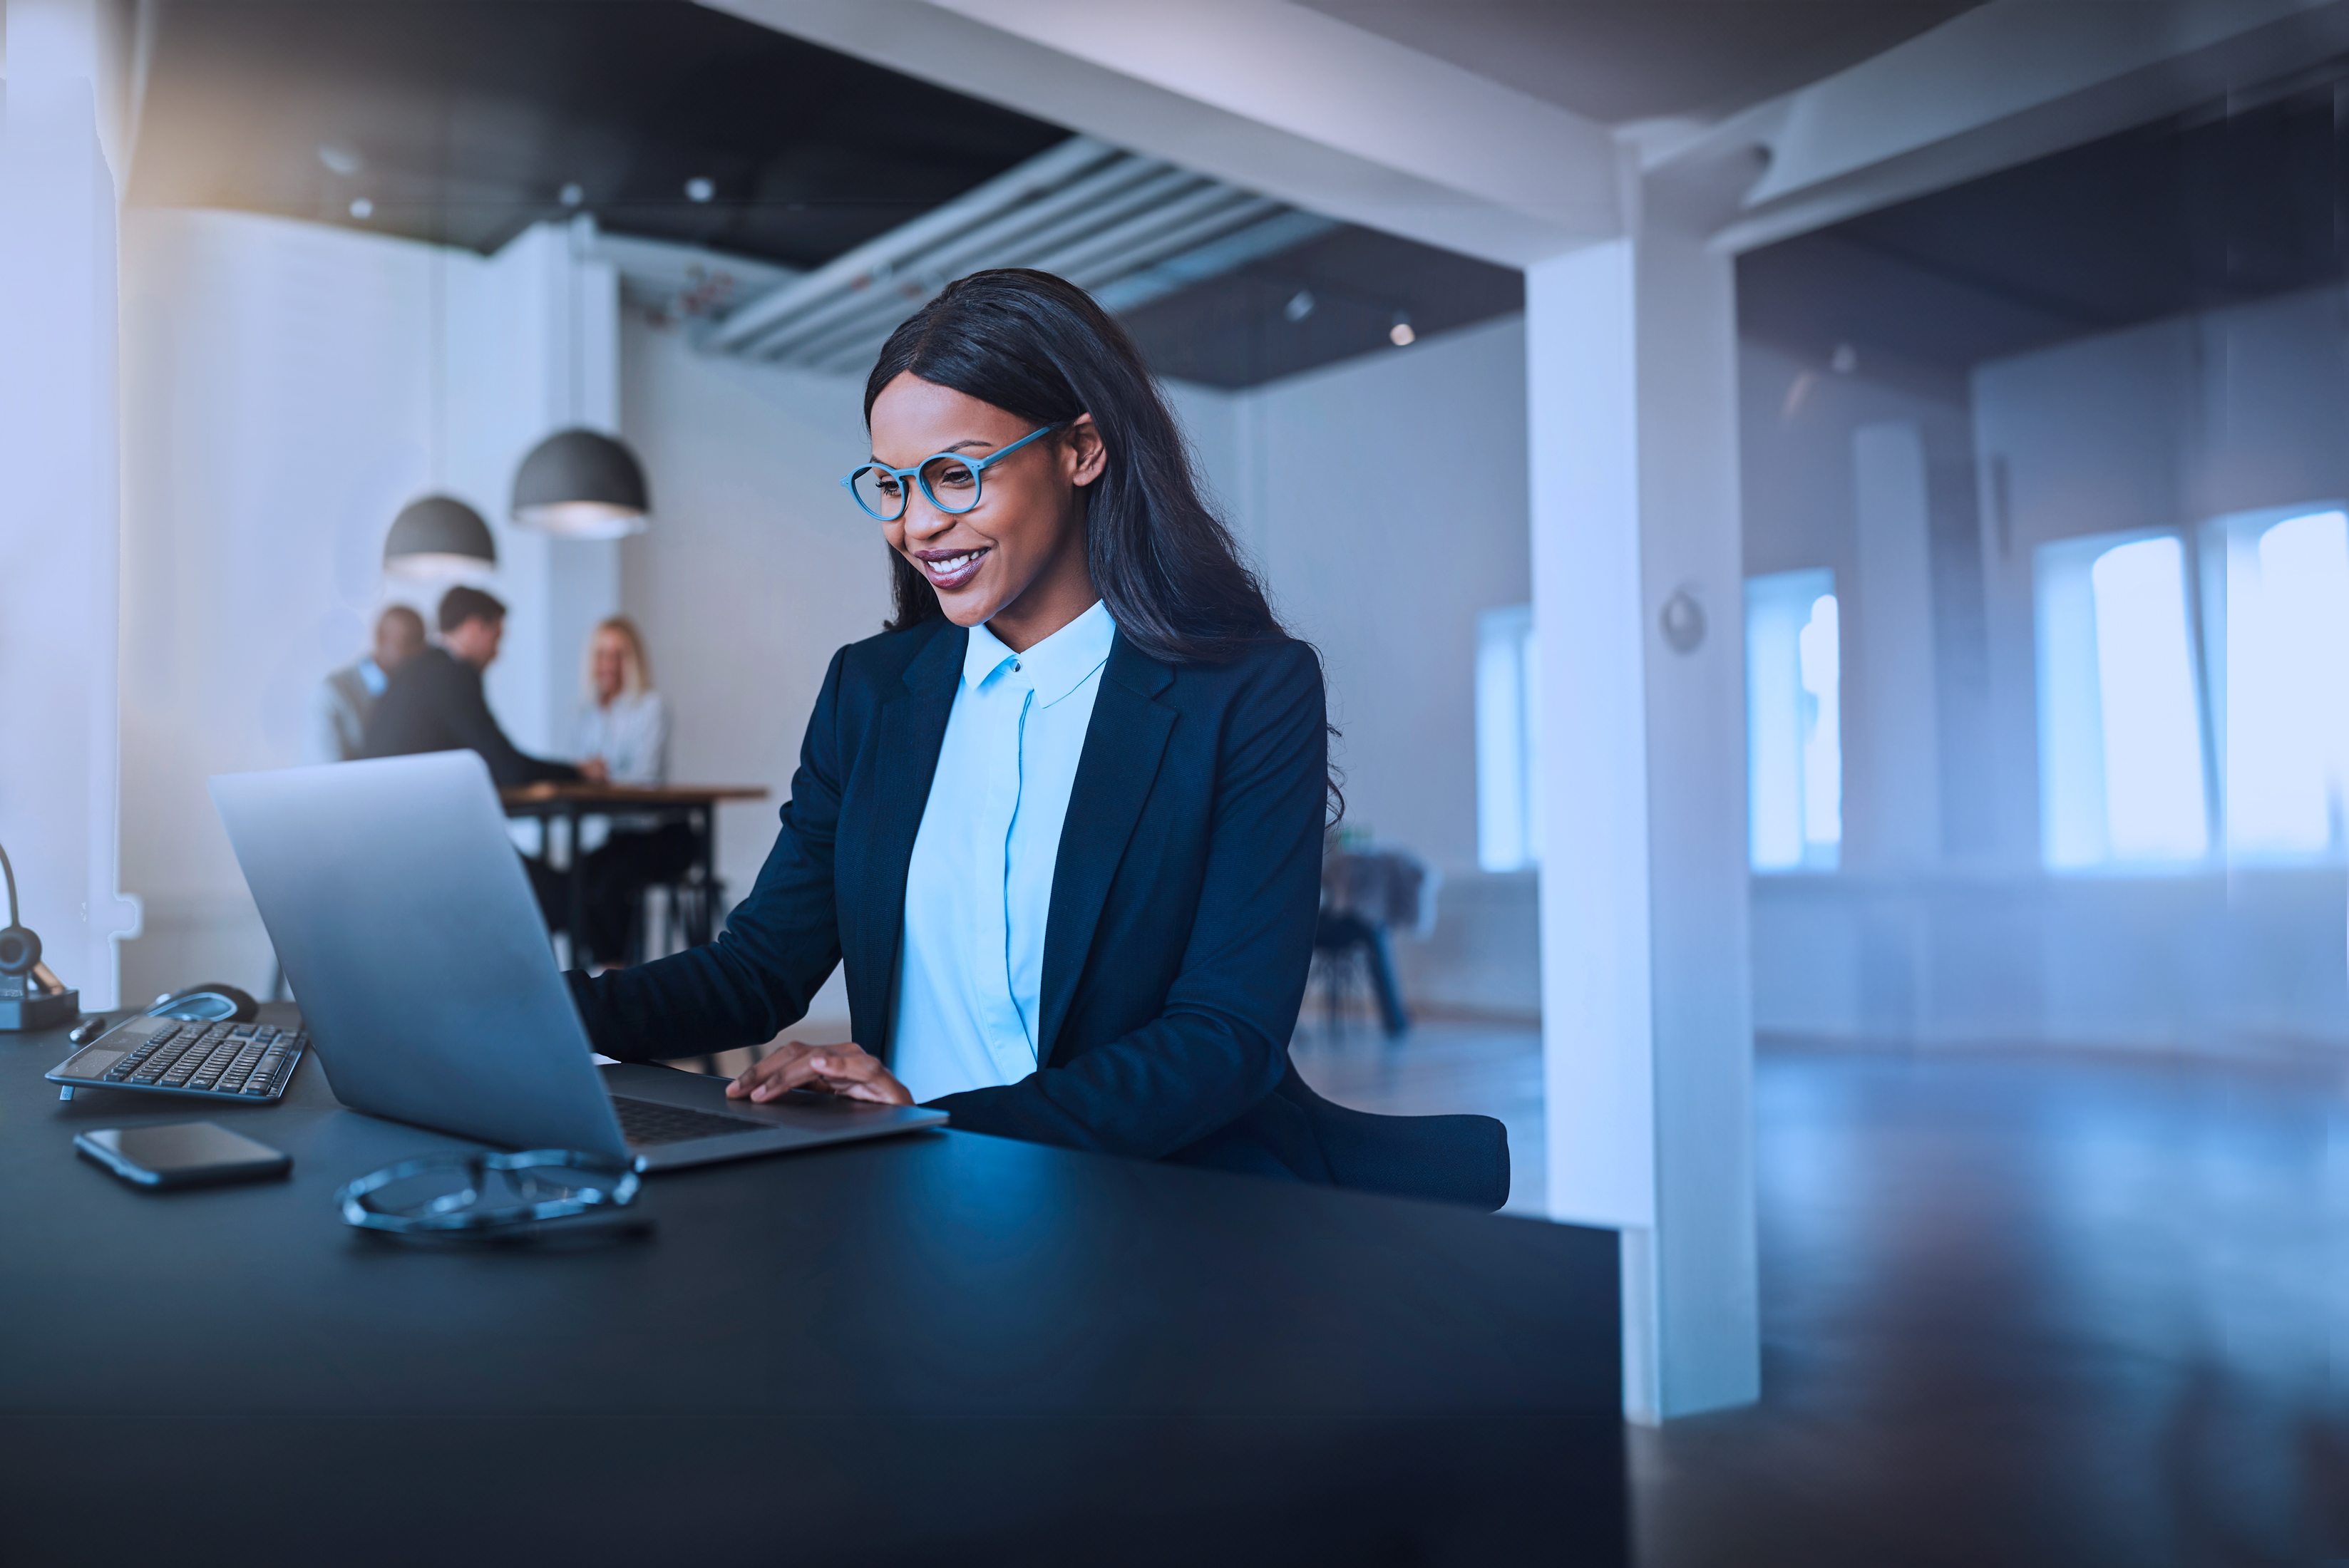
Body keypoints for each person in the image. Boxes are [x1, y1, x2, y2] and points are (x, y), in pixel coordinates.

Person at [565, 268, 1339, 1180]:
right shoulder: (871, 690)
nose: (918, 525)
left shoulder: (1247, 692)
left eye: (955, 474)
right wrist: (528, 1007)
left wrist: (938, 1124)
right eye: (890, 486)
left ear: (1082, 448)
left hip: (1137, 1202)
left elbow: (1224, 1038)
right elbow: (759, 970)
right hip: (910, 1196)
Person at [360, 586, 581, 788]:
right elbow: (506, 768)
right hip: (411, 812)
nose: (497, 653)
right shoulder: (451, 675)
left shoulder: (419, 668)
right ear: (474, 628)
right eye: (496, 638)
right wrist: (577, 772)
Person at [571, 617, 694, 966]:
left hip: (660, 834)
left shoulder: (650, 706)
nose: (608, 665)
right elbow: (582, 771)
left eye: (618, 655)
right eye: (601, 655)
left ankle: (619, 978)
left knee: (609, 886)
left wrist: (597, 775)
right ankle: (599, 976)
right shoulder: (587, 714)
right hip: (619, 834)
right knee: (578, 883)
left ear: (633, 659)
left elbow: (645, 776)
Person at [304, 605, 425, 764]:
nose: (416, 652)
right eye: (408, 642)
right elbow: (327, 773)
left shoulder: (416, 692)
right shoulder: (331, 694)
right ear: (381, 639)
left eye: (421, 643)